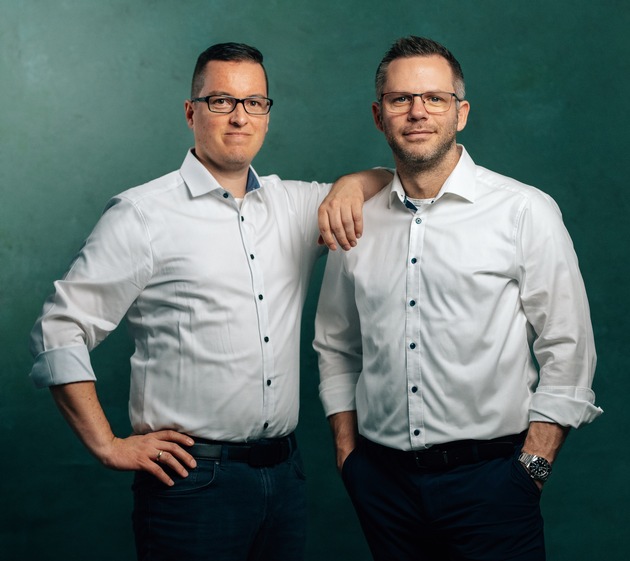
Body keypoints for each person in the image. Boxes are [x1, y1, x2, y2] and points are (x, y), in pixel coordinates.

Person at [29, 42, 390, 561]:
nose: (240, 117)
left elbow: (387, 181)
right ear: (190, 112)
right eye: (222, 101)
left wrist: (350, 184)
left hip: (284, 478)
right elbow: (58, 328)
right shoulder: (142, 215)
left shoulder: (294, 205)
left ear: (267, 115)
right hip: (191, 485)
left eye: (254, 103)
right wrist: (107, 444)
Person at [314, 36, 602, 561]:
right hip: (382, 485)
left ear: (460, 113)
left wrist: (531, 468)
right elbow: (336, 343)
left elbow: (569, 346)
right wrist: (347, 453)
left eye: (435, 98)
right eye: (400, 99)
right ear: (379, 116)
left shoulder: (523, 211)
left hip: (493, 484)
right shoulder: (356, 220)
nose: (417, 111)